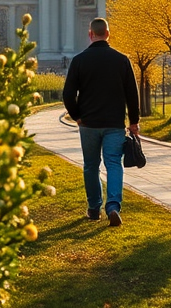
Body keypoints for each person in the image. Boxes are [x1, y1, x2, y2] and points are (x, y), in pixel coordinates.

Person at [63, 17, 140, 226]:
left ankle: (94, 208)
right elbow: (132, 94)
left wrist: (77, 115)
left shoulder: (79, 60)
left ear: (90, 35)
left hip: (88, 124)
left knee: (90, 166)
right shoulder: (122, 60)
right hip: (114, 123)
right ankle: (113, 206)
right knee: (114, 163)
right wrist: (134, 121)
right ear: (108, 34)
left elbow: (68, 94)